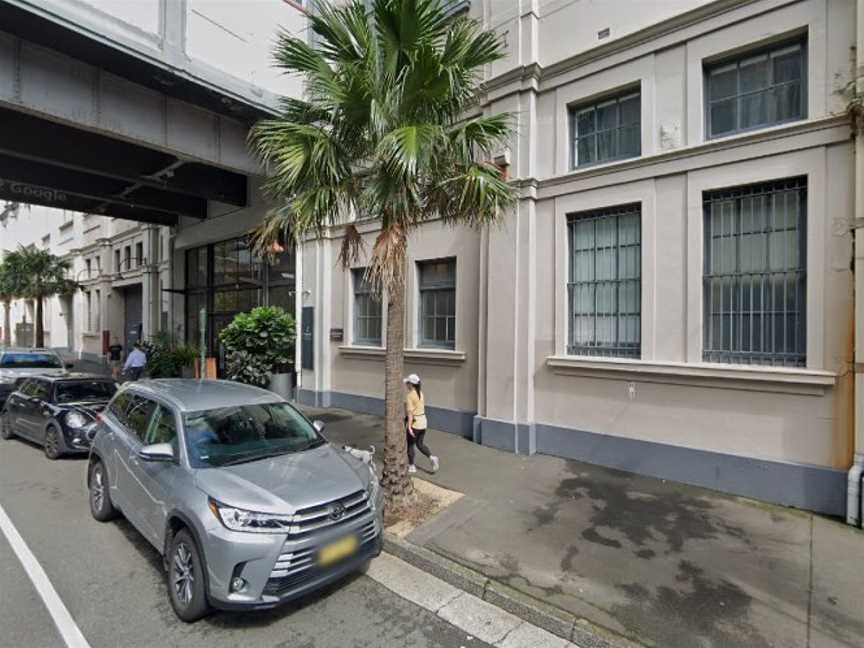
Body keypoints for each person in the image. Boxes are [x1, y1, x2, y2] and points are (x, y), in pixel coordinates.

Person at [404, 373, 439, 474]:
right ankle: (432, 457)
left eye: (407, 383)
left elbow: (410, 414)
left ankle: (411, 466)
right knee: (420, 444)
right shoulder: (421, 393)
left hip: (415, 424)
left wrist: (409, 427)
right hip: (423, 422)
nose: (406, 385)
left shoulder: (410, 396)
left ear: (411, 384)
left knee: (410, 444)